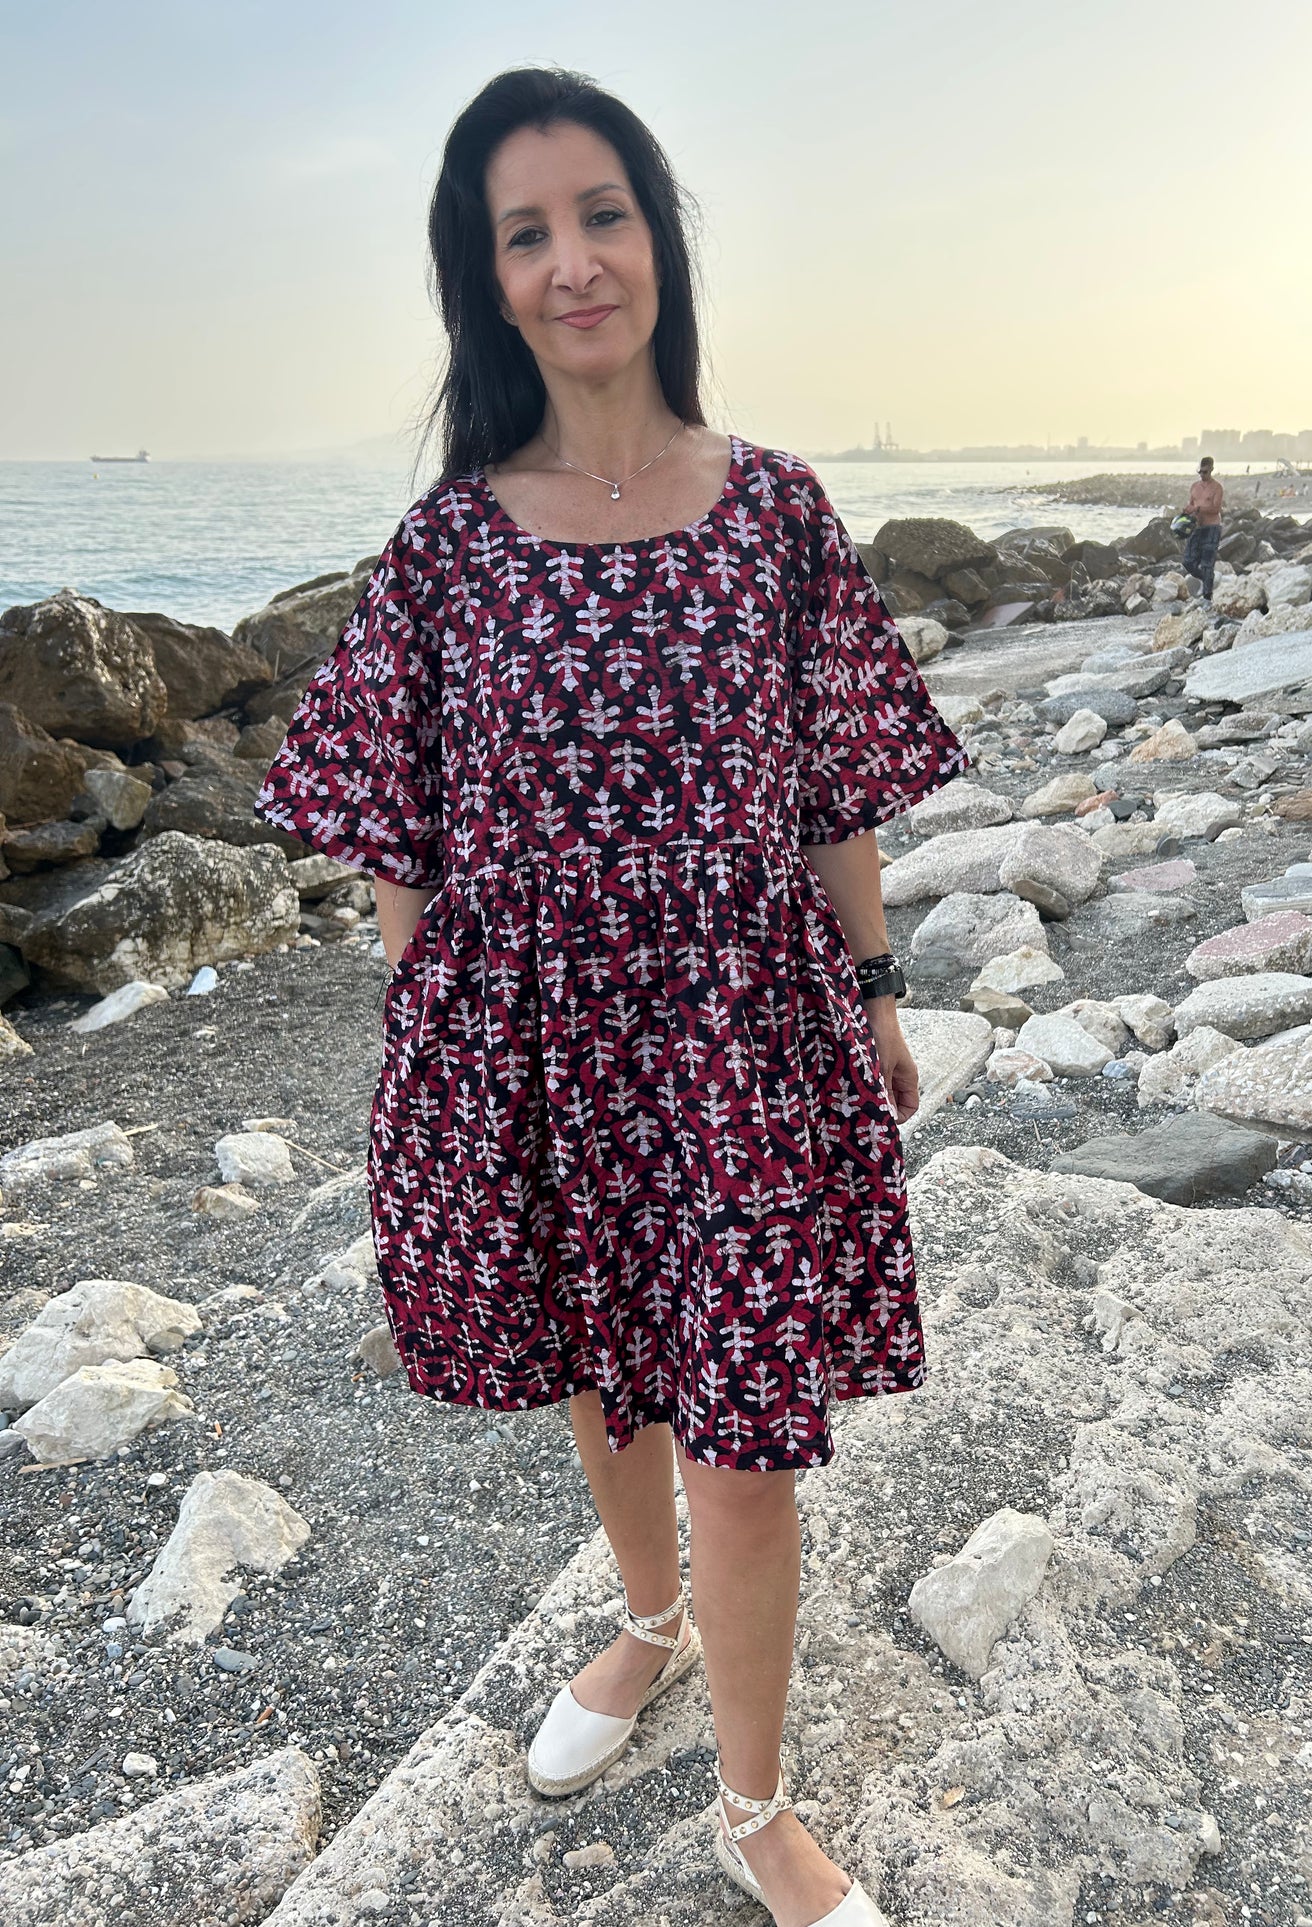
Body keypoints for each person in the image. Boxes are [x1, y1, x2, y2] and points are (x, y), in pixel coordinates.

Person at [255, 66, 968, 1927]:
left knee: (743, 1441)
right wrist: (446, 1041)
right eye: (527, 232)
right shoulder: (448, 546)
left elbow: (831, 790)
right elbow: (390, 811)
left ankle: (753, 1803)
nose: (575, 261)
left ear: (657, 240)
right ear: (486, 282)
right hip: (537, 1044)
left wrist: (877, 992)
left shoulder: (779, 512)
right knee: (601, 1375)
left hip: (742, 1039)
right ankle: (639, 1621)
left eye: (604, 215)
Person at [1182, 454, 1224, 601]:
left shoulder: (1217, 488)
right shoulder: (1194, 487)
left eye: (1205, 472)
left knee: (1207, 564)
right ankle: (1208, 579)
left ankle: (1207, 597)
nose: (1202, 475)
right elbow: (1192, 506)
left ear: (1211, 469)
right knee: (1187, 561)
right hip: (1198, 528)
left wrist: (1197, 509)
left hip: (1212, 528)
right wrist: (1187, 511)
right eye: (1200, 472)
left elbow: (1215, 509)